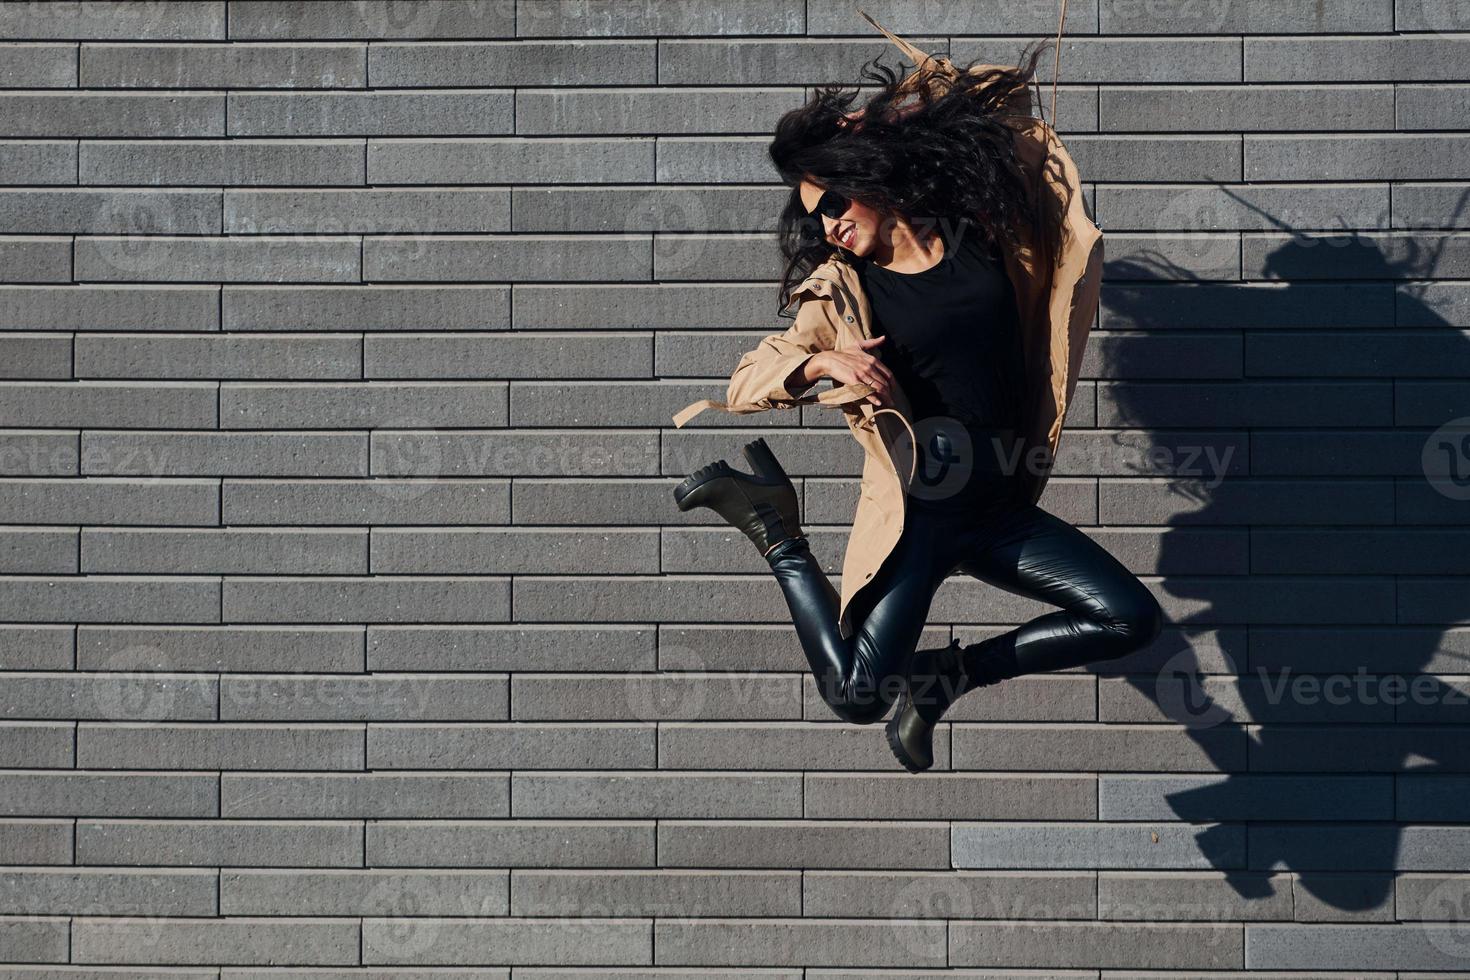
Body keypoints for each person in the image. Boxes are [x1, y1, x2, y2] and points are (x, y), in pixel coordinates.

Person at [671, 22, 1162, 773]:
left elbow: (1004, 96)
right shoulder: (845, 290)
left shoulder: (979, 233)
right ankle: (774, 528)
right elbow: (750, 378)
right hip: (923, 514)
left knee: (1127, 618)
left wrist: (882, 119)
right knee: (858, 695)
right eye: (814, 219)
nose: (829, 226)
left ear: (868, 177)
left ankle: (951, 675)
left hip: (999, 508)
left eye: (835, 200)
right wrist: (822, 362)